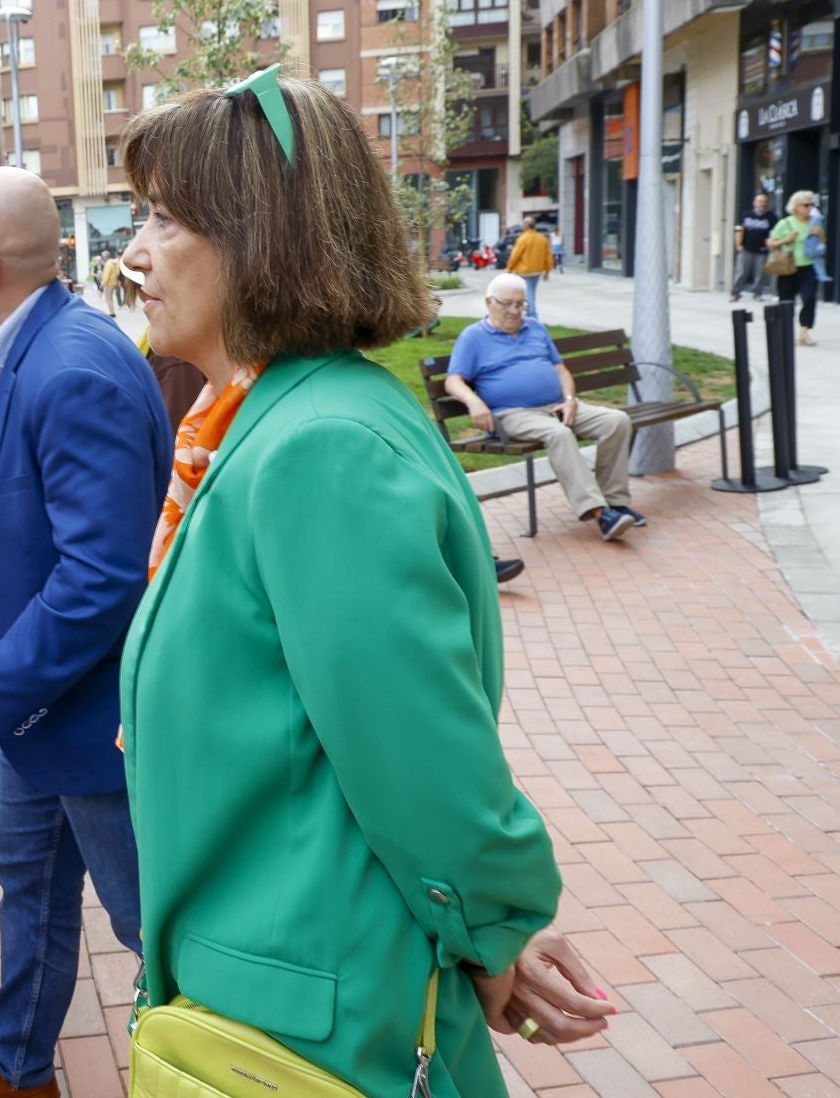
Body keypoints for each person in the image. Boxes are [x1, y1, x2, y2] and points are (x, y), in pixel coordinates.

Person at [115, 68, 568, 1098]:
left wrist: (494, 934)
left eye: (164, 219)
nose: (133, 254)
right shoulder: (285, 415)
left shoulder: (317, 445)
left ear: (259, 237)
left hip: (318, 1015)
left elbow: (422, 757)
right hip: (297, 984)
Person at [0, 167, 170, 1098]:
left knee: (153, 927)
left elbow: (100, 578)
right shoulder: (39, 350)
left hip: (89, 724)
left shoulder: (70, 369)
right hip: (41, 717)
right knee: (29, 884)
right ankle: (16, 1073)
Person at [446, 274, 644, 541]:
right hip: (512, 414)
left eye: (520, 304)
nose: (515, 311)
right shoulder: (473, 337)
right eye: (507, 304)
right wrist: (474, 401)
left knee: (617, 420)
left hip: (557, 406)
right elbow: (453, 380)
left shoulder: (535, 328)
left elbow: (561, 371)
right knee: (559, 435)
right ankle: (601, 514)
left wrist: (570, 400)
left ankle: (616, 502)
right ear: (488, 302)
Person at [767, 190, 822, 344]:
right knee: (786, 301)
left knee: (810, 298)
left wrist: (820, 235)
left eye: (812, 204)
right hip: (788, 268)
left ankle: (804, 332)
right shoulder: (786, 223)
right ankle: (784, 332)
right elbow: (771, 243)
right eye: (806, 205)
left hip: (809, 266)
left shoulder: (815, 222)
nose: (809, 207)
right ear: (796, 206)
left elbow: (824, 242)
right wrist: (787, 239)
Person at [506, 213, 554, 319]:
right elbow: (548, 256)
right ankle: (530, 314)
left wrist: (509, 269)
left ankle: (532, 315)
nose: (522, 226)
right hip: (537, 271)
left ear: (527, 225)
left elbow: (515, 255)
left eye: (523, 223)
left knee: (529, 295)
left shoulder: (523, 239)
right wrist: (547, 271)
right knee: (531, 293)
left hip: (524, 272)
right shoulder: (542, 238)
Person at [731, 192, 774, 302]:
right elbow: (738, 229)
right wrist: (738, 244)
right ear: (754, 203)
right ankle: (735, 292)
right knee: (741, 272)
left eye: (765, 202)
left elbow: (774, 233)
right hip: (746, 248)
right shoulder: (746, 215)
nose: (762, 204)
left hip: (762, 250)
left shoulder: (771, 217)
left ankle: (757, 293)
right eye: (760, 201)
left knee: (760, 274)